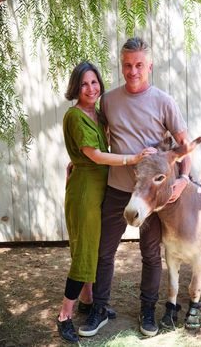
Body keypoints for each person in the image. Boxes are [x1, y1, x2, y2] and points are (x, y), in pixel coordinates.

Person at [78, 37, 191, 338]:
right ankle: (99, 309)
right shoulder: (109, 100)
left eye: (139, 65)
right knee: (105, 252)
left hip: (151, 197)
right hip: (117, 189)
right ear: (122, 65)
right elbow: (100, 139)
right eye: (128, 65)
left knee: (151, 254)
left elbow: (184, 145)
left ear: (149, 66)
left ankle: (147, 310)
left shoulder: (164, 101)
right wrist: (78, 160)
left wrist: (183, 179)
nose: (133, 71)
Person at [57, 61, 155, 344]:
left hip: (101, 185)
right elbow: (96, 155)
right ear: (75, 87)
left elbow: (89, 149)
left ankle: (88, 301)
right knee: (86, 250)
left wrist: (74, 159)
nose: (91, 88)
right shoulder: (76, 116)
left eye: (94, 82)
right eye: (84, 84)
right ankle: (64, 315)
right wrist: (133, 159)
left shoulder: (97, 114)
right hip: (86, 190)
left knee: (96, 246)